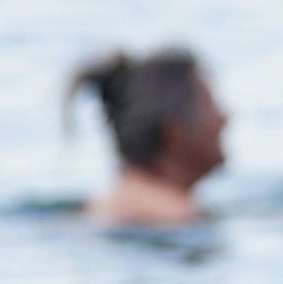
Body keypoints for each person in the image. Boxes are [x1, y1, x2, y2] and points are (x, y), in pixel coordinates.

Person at [68, 48, 228, 228]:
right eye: (209, 105)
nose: (224, 119)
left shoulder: (103, 204)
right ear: (174, 130)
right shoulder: (175, 216)